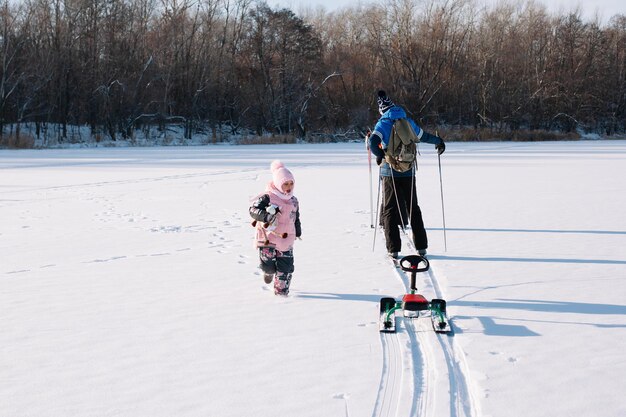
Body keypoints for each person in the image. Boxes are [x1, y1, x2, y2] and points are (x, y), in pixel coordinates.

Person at [366, 90, 445, 258]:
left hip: (390, 173)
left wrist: (380, 156)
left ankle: (393, 249)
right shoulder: (407, 120)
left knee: (390, 209)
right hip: (408, 171)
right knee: (413, 207)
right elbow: (423, 136)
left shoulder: (383, 123)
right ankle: (421, 247)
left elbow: (373, 142)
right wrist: (439, 141)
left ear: (382, 110)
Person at [249, 160, 302, 296]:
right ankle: (268, 271)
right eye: (285, 184)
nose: (289, 187)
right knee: (269, 265)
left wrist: (298, 230)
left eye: (291, 183)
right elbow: (253, 210)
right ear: (278, 183)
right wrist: (265, 216)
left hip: (286, 238)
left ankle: (281, 294)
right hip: (268, 238)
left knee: (286, 267)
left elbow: (295, 216)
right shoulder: (268, 197)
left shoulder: (294, 200)